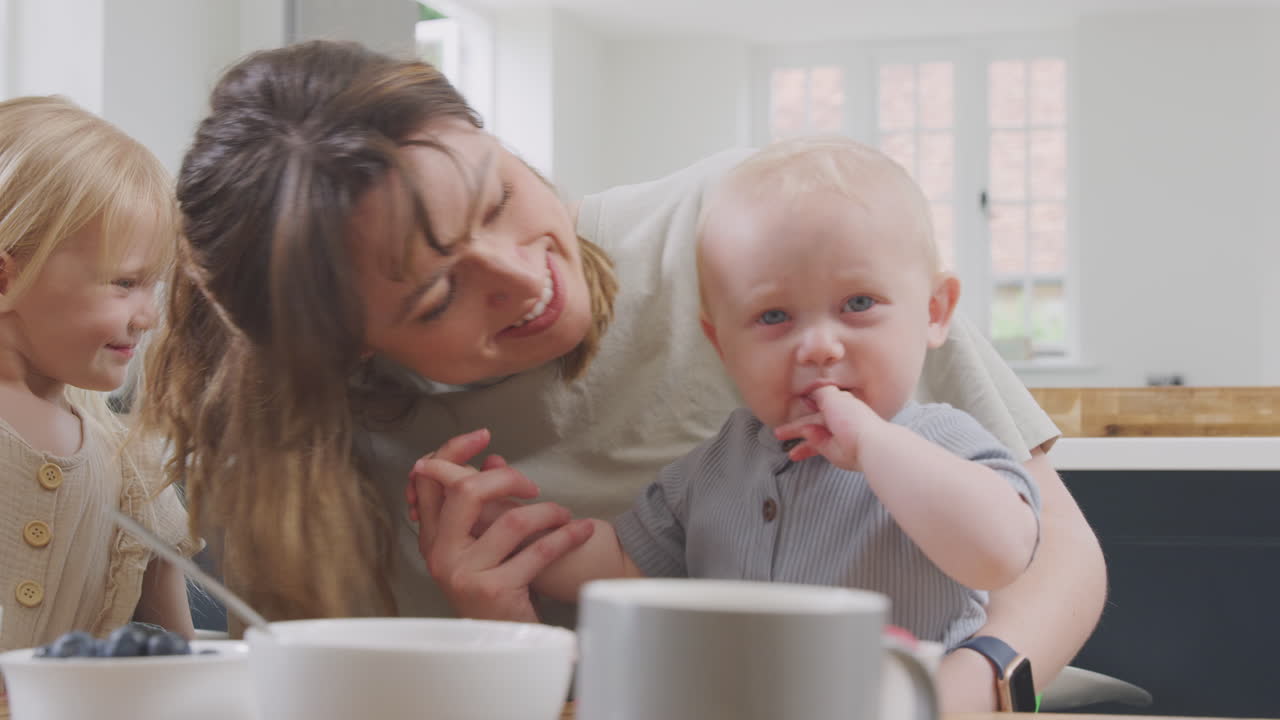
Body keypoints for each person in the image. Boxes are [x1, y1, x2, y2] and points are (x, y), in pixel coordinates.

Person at [143, 40, 1105, 710]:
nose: (526, 279)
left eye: (502, 195)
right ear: (347, 351)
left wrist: (962, 689)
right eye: (437, 297)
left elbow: (1051, 549)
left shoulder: (759, 235)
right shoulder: (335, 471)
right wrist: (497, 631)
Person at [419, 136, 1043, 649]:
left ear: (935, 312)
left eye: (858, 304)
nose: (819, 347)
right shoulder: (717, 465)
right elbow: (623, 565)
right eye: (774, 318)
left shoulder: (938, 438)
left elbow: (1001, 555)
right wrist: (510, 532)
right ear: (723, 348)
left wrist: (876, 445)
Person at [0, 96, 198, 653]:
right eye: (124, 283)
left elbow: (182, 655)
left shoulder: (129, 467)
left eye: (154, 285)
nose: (149, 315)